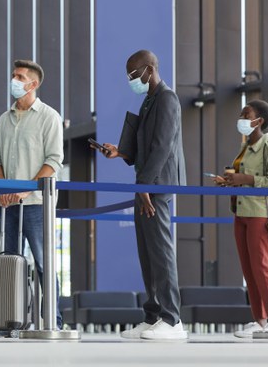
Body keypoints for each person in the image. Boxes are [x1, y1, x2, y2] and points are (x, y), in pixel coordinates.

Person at [99, 50, 188, 340]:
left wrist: (147, 186)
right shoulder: (149, 99)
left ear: (149, 69)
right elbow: (145, 147)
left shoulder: (167, 98)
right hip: (145, 184)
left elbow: (163, 147)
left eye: (134, 74)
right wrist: (121, 152)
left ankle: (172, 319)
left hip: (157, 186)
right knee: (148, 254)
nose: (131, 80)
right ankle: (153, 316)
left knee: (161, 252)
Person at [0, 59, 64, 330]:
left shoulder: (49, 117)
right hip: (8, 204)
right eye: (13, 75)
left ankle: (52, 320)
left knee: (43, 264)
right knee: (10, 263)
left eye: (20, 76)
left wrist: (23, 190)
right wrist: (4, 188)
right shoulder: (3, 119)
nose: (14, 80)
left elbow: (54, 161)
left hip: (36, 204)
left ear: (33, 84)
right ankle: (11, 320)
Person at [216, 100, 268, 338]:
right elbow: (243, 177)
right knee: (248, 269)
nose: (242, 117)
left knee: (262, 268)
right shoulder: (246, 147)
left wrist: (246, 179)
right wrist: (230, 180)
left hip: (259, 213)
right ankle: (260, 320)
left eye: (246, 114)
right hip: (241, 212)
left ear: (259, 121)